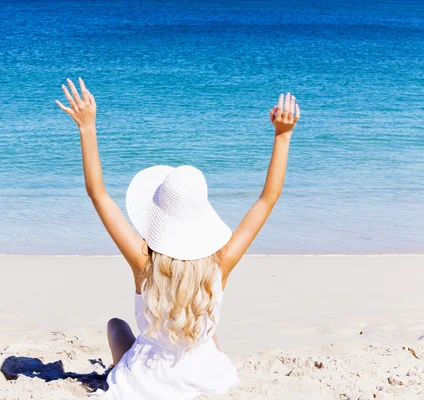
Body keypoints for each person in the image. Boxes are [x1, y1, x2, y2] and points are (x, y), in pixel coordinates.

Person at [56, 78, 300, 399]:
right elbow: (267, 199)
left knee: (116, 326)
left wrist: (87, 127)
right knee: (207, 335)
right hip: (205, 379)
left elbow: (98, 194)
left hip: (144, 381)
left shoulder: (144, 262)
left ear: (157, 215)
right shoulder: (221, 262)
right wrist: (283, 136)